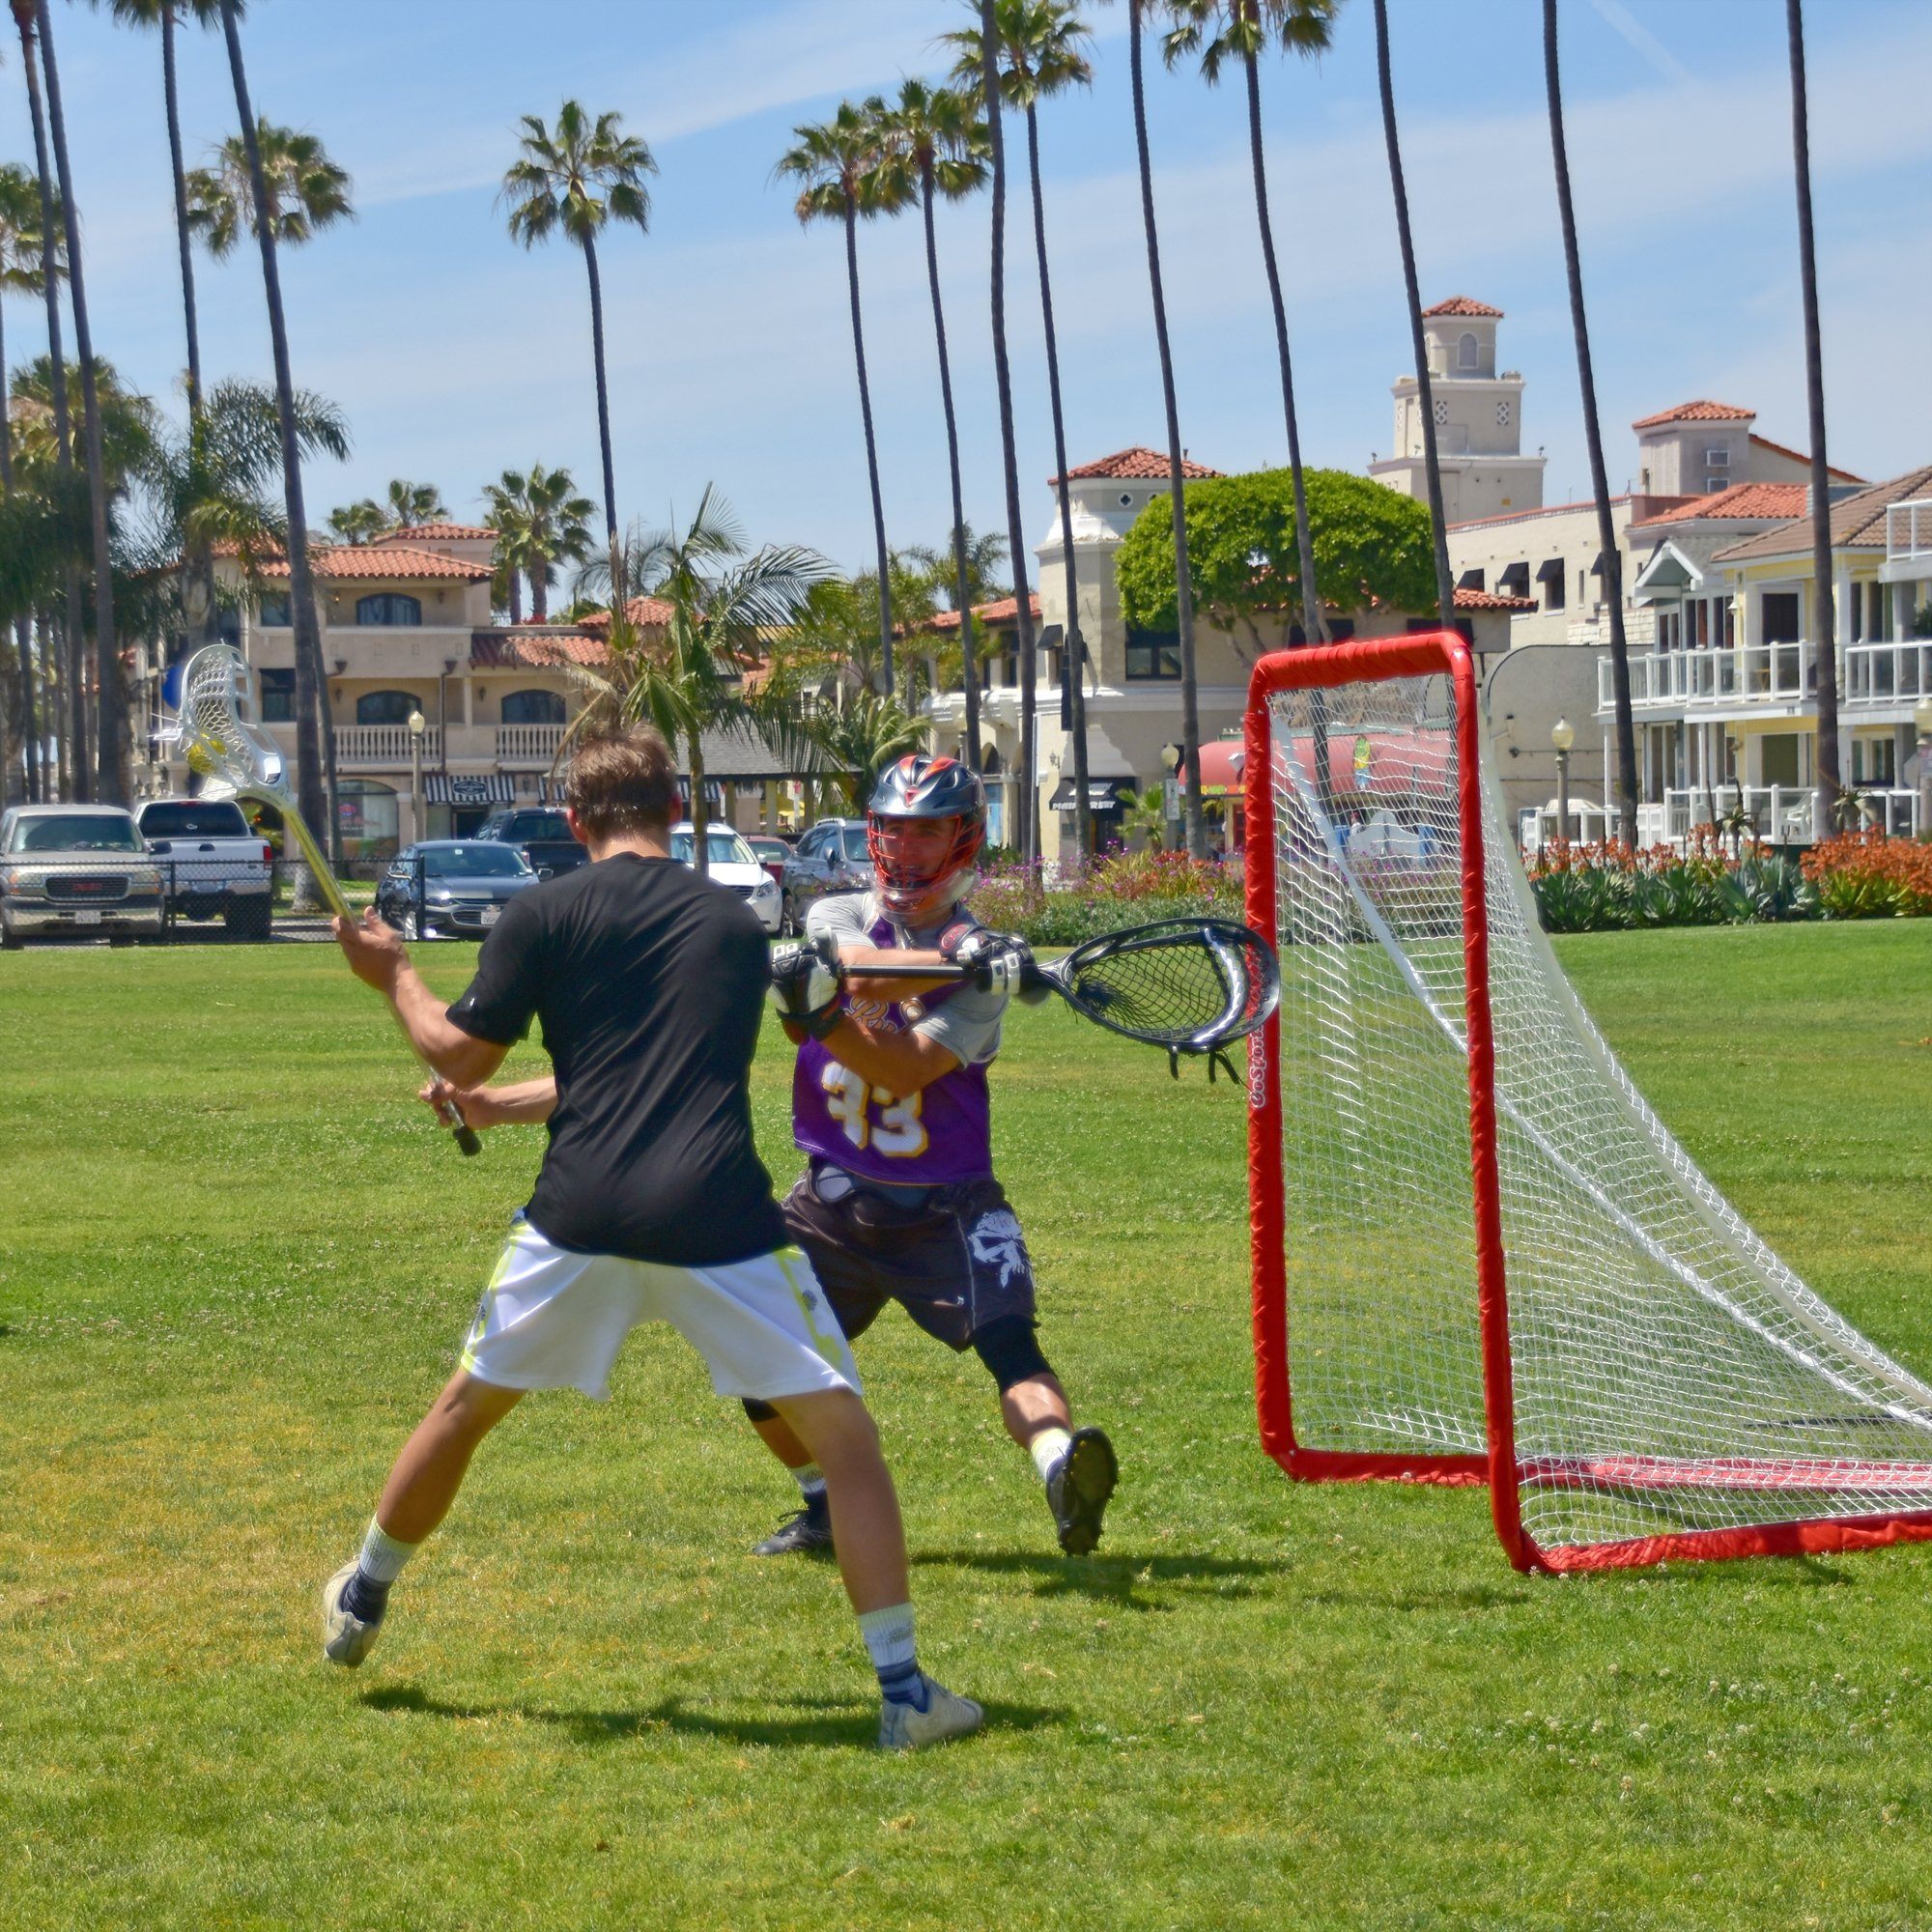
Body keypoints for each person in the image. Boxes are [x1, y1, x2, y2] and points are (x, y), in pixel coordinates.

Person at [324, 725, 981, 1752]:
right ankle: (903, 1694)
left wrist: (394, 973)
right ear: (675, 814)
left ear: (573, 820)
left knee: (463, 1408)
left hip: (577, 1215)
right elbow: (823, 1036)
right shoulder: (729, 920)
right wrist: (962, 971)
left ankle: (362, 1595)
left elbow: (455, 1050)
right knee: (846, 1444)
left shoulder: (540, 913)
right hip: (717, 1217)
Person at [441, 755, 1121, 1561]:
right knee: (760, 1369)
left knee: (1011, 1349)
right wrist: (957, 960)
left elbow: (901, 1071)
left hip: (946, 1204)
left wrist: (967, 963)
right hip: (831, 1203)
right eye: (893, 830)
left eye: (927, 831)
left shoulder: (986, 971)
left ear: (964, 838)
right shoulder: (844, 913)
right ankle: (824, 1505)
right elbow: (846, 975)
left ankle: (1060, 1469)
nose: (904, 849)